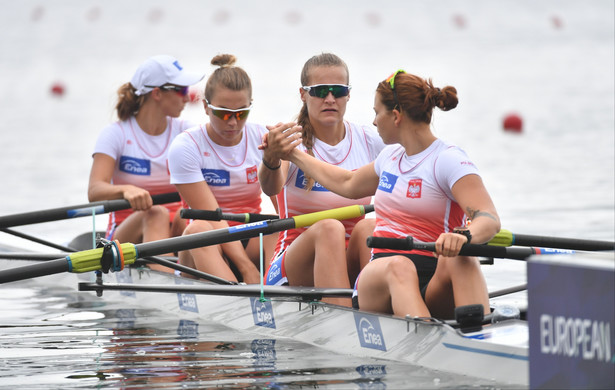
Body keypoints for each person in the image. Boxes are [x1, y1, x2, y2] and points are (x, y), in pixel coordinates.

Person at [277, 70, 501, 319]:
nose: (373, 122)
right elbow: (348, 182)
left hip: (434, 274)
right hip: (382, 276)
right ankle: (425, 342)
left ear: (395, 116)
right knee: (400, 266)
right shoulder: (389, 158)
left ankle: (482, 336)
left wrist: (465, 236)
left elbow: (488, 217)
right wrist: (293, 155)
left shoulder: (448, 160)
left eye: (376, 113)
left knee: (464, 259)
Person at [260, 53, 385, 306]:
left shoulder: (370, 140)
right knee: (330, 227)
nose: (330, 99)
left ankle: (383, 312)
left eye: (337, 91)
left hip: (348, 258)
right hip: (294, 265)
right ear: (303, 94)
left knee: (368, 228)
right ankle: (344, 320)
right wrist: (271, 158)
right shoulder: (289, 139)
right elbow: (270, 186)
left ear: (348, 94)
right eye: (320, 91)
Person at [88, 55, 204, 271]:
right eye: (181, 90)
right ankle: (172, 285)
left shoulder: (186, 132)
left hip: (177, 231)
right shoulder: (116, 134)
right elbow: (95, 190)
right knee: (156, 213)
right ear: (157, 93)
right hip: (125, 235)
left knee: (187, 215)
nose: (187, 98)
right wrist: (126, 190)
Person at [168, 54, 277, 284]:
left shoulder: (263, 139)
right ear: (206, 107)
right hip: (205, 245)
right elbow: (214, 218)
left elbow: (286, 208)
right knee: (200, 227)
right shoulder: (186, 146)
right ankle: (242, 292)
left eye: (241, 113)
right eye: (224, 113)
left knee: (274, 222)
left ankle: (277, 290)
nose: (233, 123)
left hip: (248, 240)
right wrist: (247, 269)